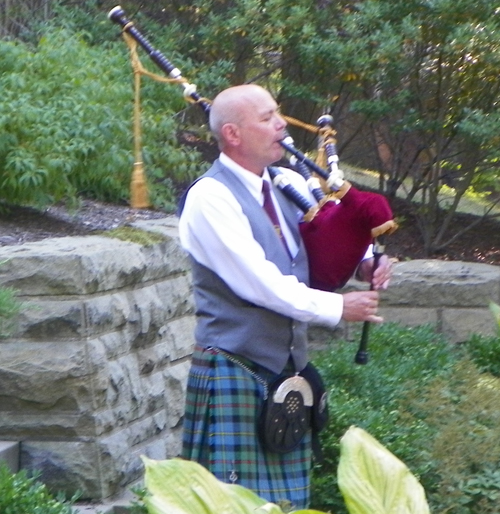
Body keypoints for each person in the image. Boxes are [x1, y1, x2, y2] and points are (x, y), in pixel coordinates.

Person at [178, 84, 392, 509]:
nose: (282, 125)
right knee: (233, 503)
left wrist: (365, 260)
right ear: (234, 134)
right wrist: (337, 307)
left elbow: (328, 232)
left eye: (278, 113)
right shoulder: (210, 198)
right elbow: (260, 283)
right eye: (267, 117)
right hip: (235, 370)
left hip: (286, 376)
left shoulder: (287, 181)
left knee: (287, 504)